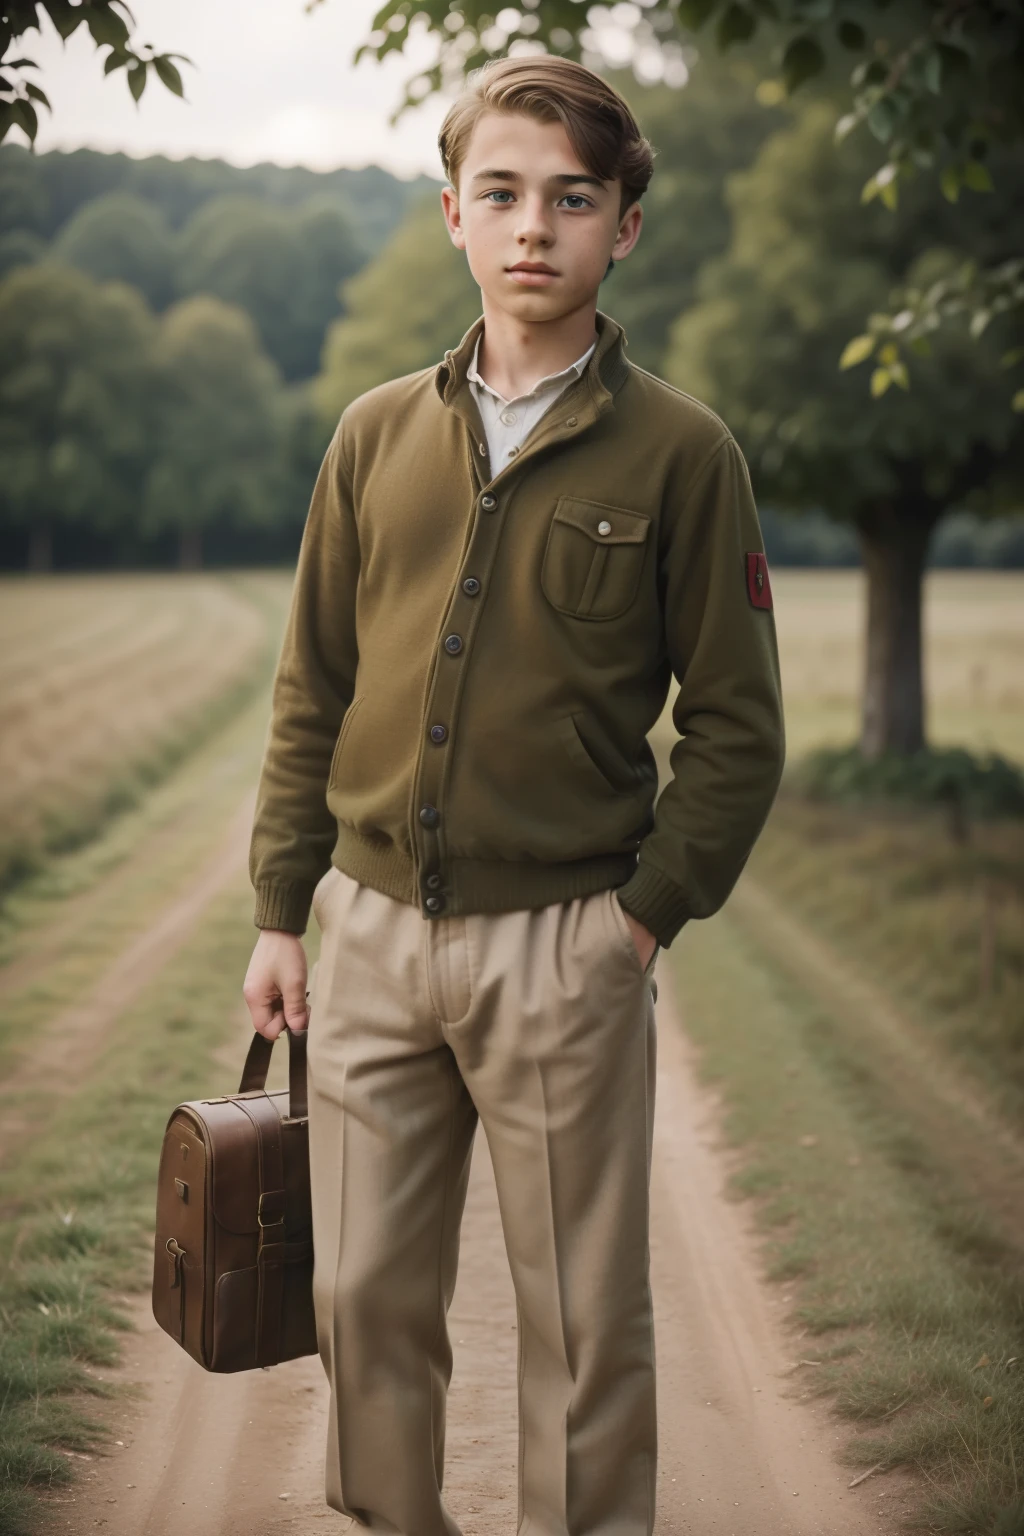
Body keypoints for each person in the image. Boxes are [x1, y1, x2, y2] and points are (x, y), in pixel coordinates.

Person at [243, 52, 784, 1536]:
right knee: (360, 1299)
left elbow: (738, 729)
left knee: (582, 1328)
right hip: (364, 939)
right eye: (504, 194)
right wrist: (283, 912)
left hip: (568, 949)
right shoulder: (370, 437)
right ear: (452, 217)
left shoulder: (684, 455)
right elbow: (314, 684)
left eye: (573, 197)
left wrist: (642, 922)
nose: (534, 225)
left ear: (624, 228)